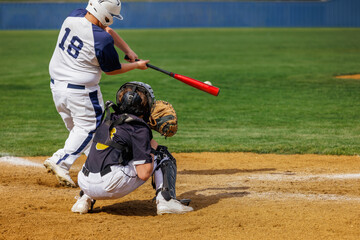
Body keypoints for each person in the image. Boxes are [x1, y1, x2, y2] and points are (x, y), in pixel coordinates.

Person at [44, 0, 149, 187]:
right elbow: (112, 69)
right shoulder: (101, 39)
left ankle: (94, 167)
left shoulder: (75, 15)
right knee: (89, 128)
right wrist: (136, 65)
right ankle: (60, 161)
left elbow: (106, 30)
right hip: (81, 92)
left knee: (79, 131)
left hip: (57, 88)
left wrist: (128, 50)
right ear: (106, 15)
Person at [71, 82, 194, 215]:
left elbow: (126, 135)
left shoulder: (108, 118)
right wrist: (152, 147)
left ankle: (83, 200)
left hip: (84, 182)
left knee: (107, 153)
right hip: (110, 185)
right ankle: (166, 201)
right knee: (162, 155)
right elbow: (144, 173)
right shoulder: (139, 129)